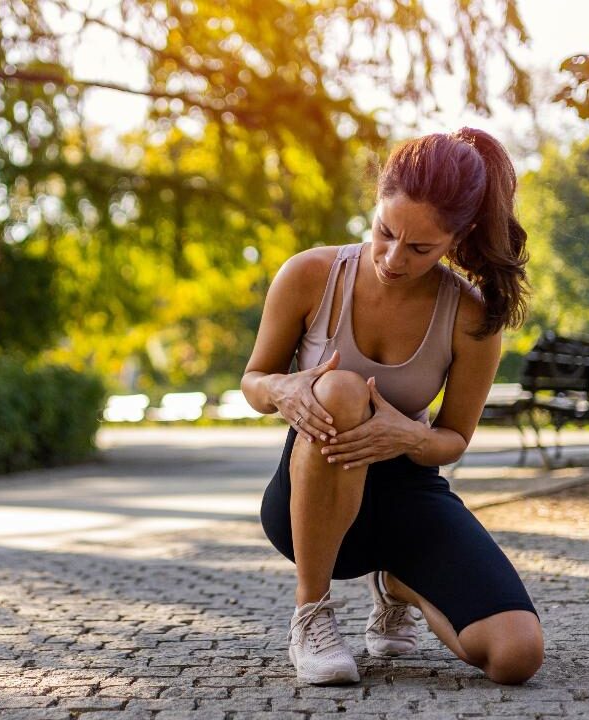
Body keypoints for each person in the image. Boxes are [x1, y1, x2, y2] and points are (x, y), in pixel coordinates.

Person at [239, 128, 543, 687]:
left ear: (458, 237)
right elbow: (253, 380)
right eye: (385, 232)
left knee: (516, 654)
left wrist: (406, 437)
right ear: (376, 204)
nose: (393, 258)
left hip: (408, 498)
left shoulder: (470, 317)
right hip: (308, 506)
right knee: (341, 390)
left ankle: (400, 582)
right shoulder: (309, 275)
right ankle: (312, 615)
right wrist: (282, 390)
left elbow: (452, 440)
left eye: (420, 248)